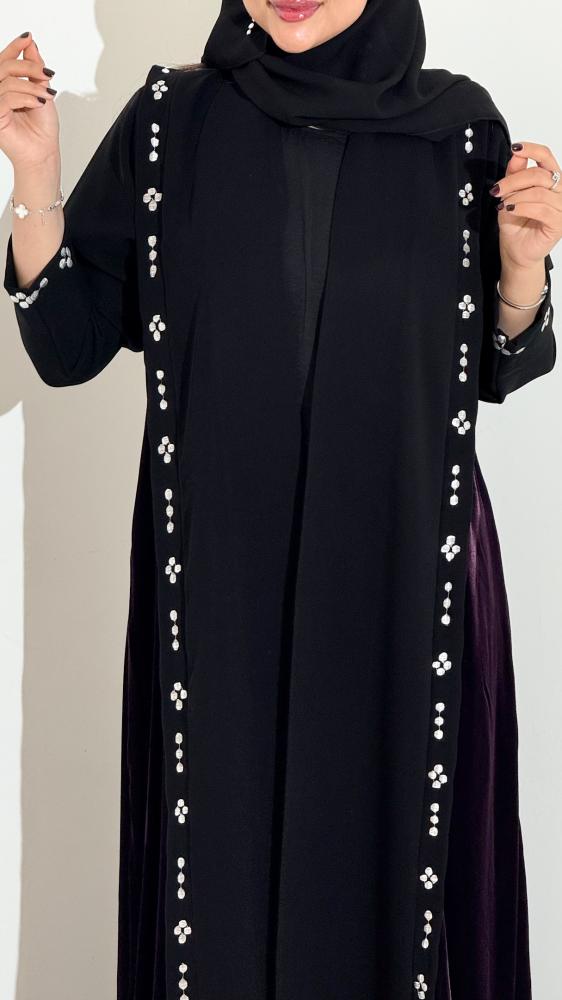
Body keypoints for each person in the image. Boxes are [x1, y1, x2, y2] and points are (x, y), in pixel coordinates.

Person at [2, 2, 560, 998]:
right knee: (225, 887)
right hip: (225, 582)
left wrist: (521, 270)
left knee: (393, 874)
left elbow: (486, 365)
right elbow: (70, 343)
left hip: (400, 570)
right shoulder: (173, 122)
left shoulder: (458, 132)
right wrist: (35, 176)